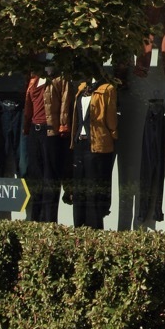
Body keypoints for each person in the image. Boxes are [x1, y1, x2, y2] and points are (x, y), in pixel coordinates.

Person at [67, 78, 119, 229]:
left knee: (93, 189)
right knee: (79, 189)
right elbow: (76, 115)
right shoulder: (81, 87)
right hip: (80, 142)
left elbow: (111, 119)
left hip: (97, 144)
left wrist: (112, 136)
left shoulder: (107, 89)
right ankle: (78, 227)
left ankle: (95, 229)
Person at [24, 66, 73, 222]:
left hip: (50, 132)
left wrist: (63, 126)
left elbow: (65, 104)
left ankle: (50, 221)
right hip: (34, 130)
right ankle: (35, 220)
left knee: (50, 178)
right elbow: (28, 106)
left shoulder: (60, 80)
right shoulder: (33, 79)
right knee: (36, 177)